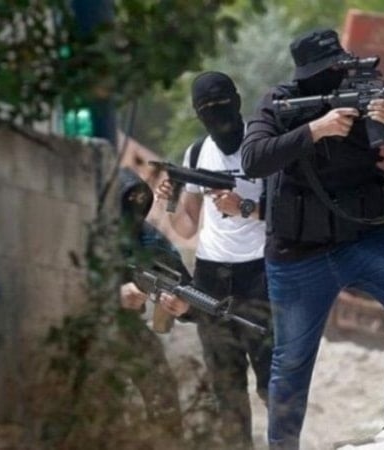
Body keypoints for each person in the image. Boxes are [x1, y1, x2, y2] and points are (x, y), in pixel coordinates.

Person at [240, 28, 384, 449]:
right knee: (290, 363)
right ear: (307, 73)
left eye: (339, 66)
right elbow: (253, 159)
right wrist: (316, 130)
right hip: (297, 257)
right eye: (326, 70)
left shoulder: (368, 91)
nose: (335, 74)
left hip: (362, 241)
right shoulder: (280, 102)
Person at [156, 71, 273, 450]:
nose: (215, 113)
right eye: (205, 108)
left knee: (274, 382)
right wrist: (170, 198)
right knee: (226, 388)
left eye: (220, 103)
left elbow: (288, 212)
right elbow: (187, 227)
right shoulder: (195, 154)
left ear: (237, 100)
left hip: (261, 273)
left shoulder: (264, 146)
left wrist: (244, 207)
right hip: (212, 276)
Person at [117, 167, 185, 445]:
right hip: (89, 325)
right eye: (126, 202)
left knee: (161, 388)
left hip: (129, 328)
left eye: (140, 202)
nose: (134, 210)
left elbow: (184, 284)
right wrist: (114, 294)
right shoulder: (87, 231)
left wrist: (183, 306)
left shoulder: (148, 239)